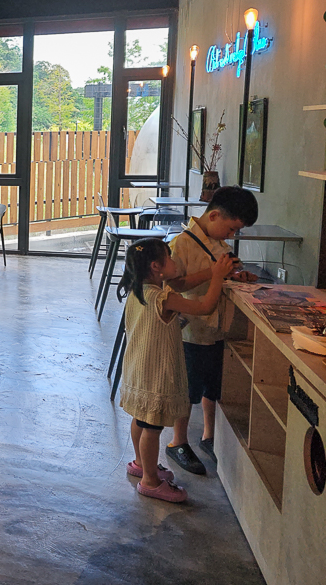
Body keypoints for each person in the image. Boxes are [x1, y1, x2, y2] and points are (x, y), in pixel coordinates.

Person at [118, 238, 235, 502]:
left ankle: (140, 463)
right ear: (156, 267)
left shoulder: (138, 291)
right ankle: (149, 481)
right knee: (152, 427)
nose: (175, 263)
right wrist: (217, 275)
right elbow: (205, 306)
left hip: (137, 368)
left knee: (140, 418)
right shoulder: (164, 297)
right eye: (170, 258)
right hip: (155, 373)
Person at [164, 186, 259, 475]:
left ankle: (209, 435)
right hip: (191, 330)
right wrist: (213, 273)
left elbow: (224, 276)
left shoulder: (220, 243)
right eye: (231, 228)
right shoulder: (183, 243)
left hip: (218, 329)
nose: (231, 236)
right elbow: (176, 285)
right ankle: (177, 442)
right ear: (214, 215)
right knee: (187, 390)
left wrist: (236, 276)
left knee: (213, 386)